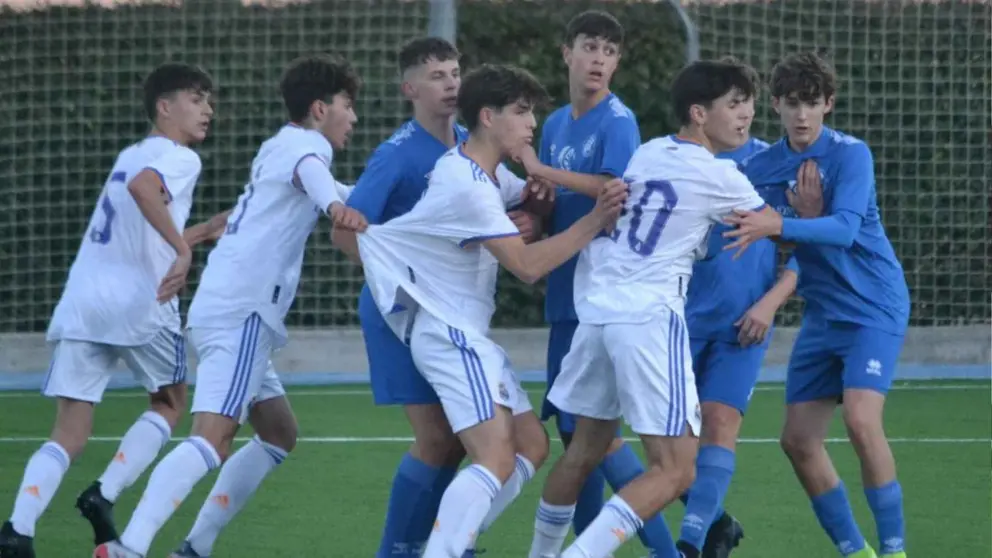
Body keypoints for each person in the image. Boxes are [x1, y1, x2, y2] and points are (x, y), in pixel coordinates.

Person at [92, 53, 368, 558]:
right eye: (347, 105)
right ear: (320, 108)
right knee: (212, 438)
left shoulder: (280, 144)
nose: (354, 117)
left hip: (229, 307)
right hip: (243, 313)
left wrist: (380, 197)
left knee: (279, 433)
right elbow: (319, 180)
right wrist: (335, 207)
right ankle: (129, 547)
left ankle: (195, 547)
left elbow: (337, 189)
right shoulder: (308, 149)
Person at [345, 63, 625, 558]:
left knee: (531, 445)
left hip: (465, 333)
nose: (532, 124)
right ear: (488, 118)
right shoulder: (467, 186)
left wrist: (538, 202)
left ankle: (454, 541)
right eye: (521, 112)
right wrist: (595, 220)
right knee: (494, 457)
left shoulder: (481, 171)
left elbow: (530, 203)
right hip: (448, 331)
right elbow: (527, 267)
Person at [530, 58, 776, 558]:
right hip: (648, 317)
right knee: (677, 469)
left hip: (599, 311)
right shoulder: (721, 175)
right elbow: (772, 223)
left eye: (749, 105)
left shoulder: (649, 151)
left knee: (583, 451)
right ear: (698, 113)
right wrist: (793, 216)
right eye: (734, 105)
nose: (746, 115)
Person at [0, 63, 221, 558]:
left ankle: (17, 530)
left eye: (208, 100)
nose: (208, 109)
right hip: (140, 302)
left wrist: (203, 231)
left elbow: (139, 229)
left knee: (69, 432)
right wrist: (183, 252)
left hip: (84, 301)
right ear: (164, 107)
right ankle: (103, 493)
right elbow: (145, 190)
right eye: (196, 99)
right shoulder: (179, 157)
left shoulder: (130, 154)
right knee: (169, 403)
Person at [337, 37, 539, 558]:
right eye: (436, 76)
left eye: (455, 72)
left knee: (465, 441)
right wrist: (406, 277)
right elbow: (346, 234)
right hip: (404, 309)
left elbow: (511, 207)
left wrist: (529, 218)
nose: (450, 84)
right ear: (409, 89)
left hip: (448, 310)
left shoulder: (474, 144)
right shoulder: (397, 154)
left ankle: (446, 542)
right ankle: (401, 549)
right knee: (437, 439)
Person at [724, 51, 910, 558]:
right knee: (798, 441)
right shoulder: (761, 167)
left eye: (811, 103)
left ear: (828, 104)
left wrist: (782, 223)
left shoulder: (851, 156)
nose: (801, 115)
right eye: (791, 103)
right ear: (776, 106)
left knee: (862, 422)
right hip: (823, 314)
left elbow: (845, 229)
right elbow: (733, 212)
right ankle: (857, 553)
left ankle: (895, 551)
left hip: (874, 306)